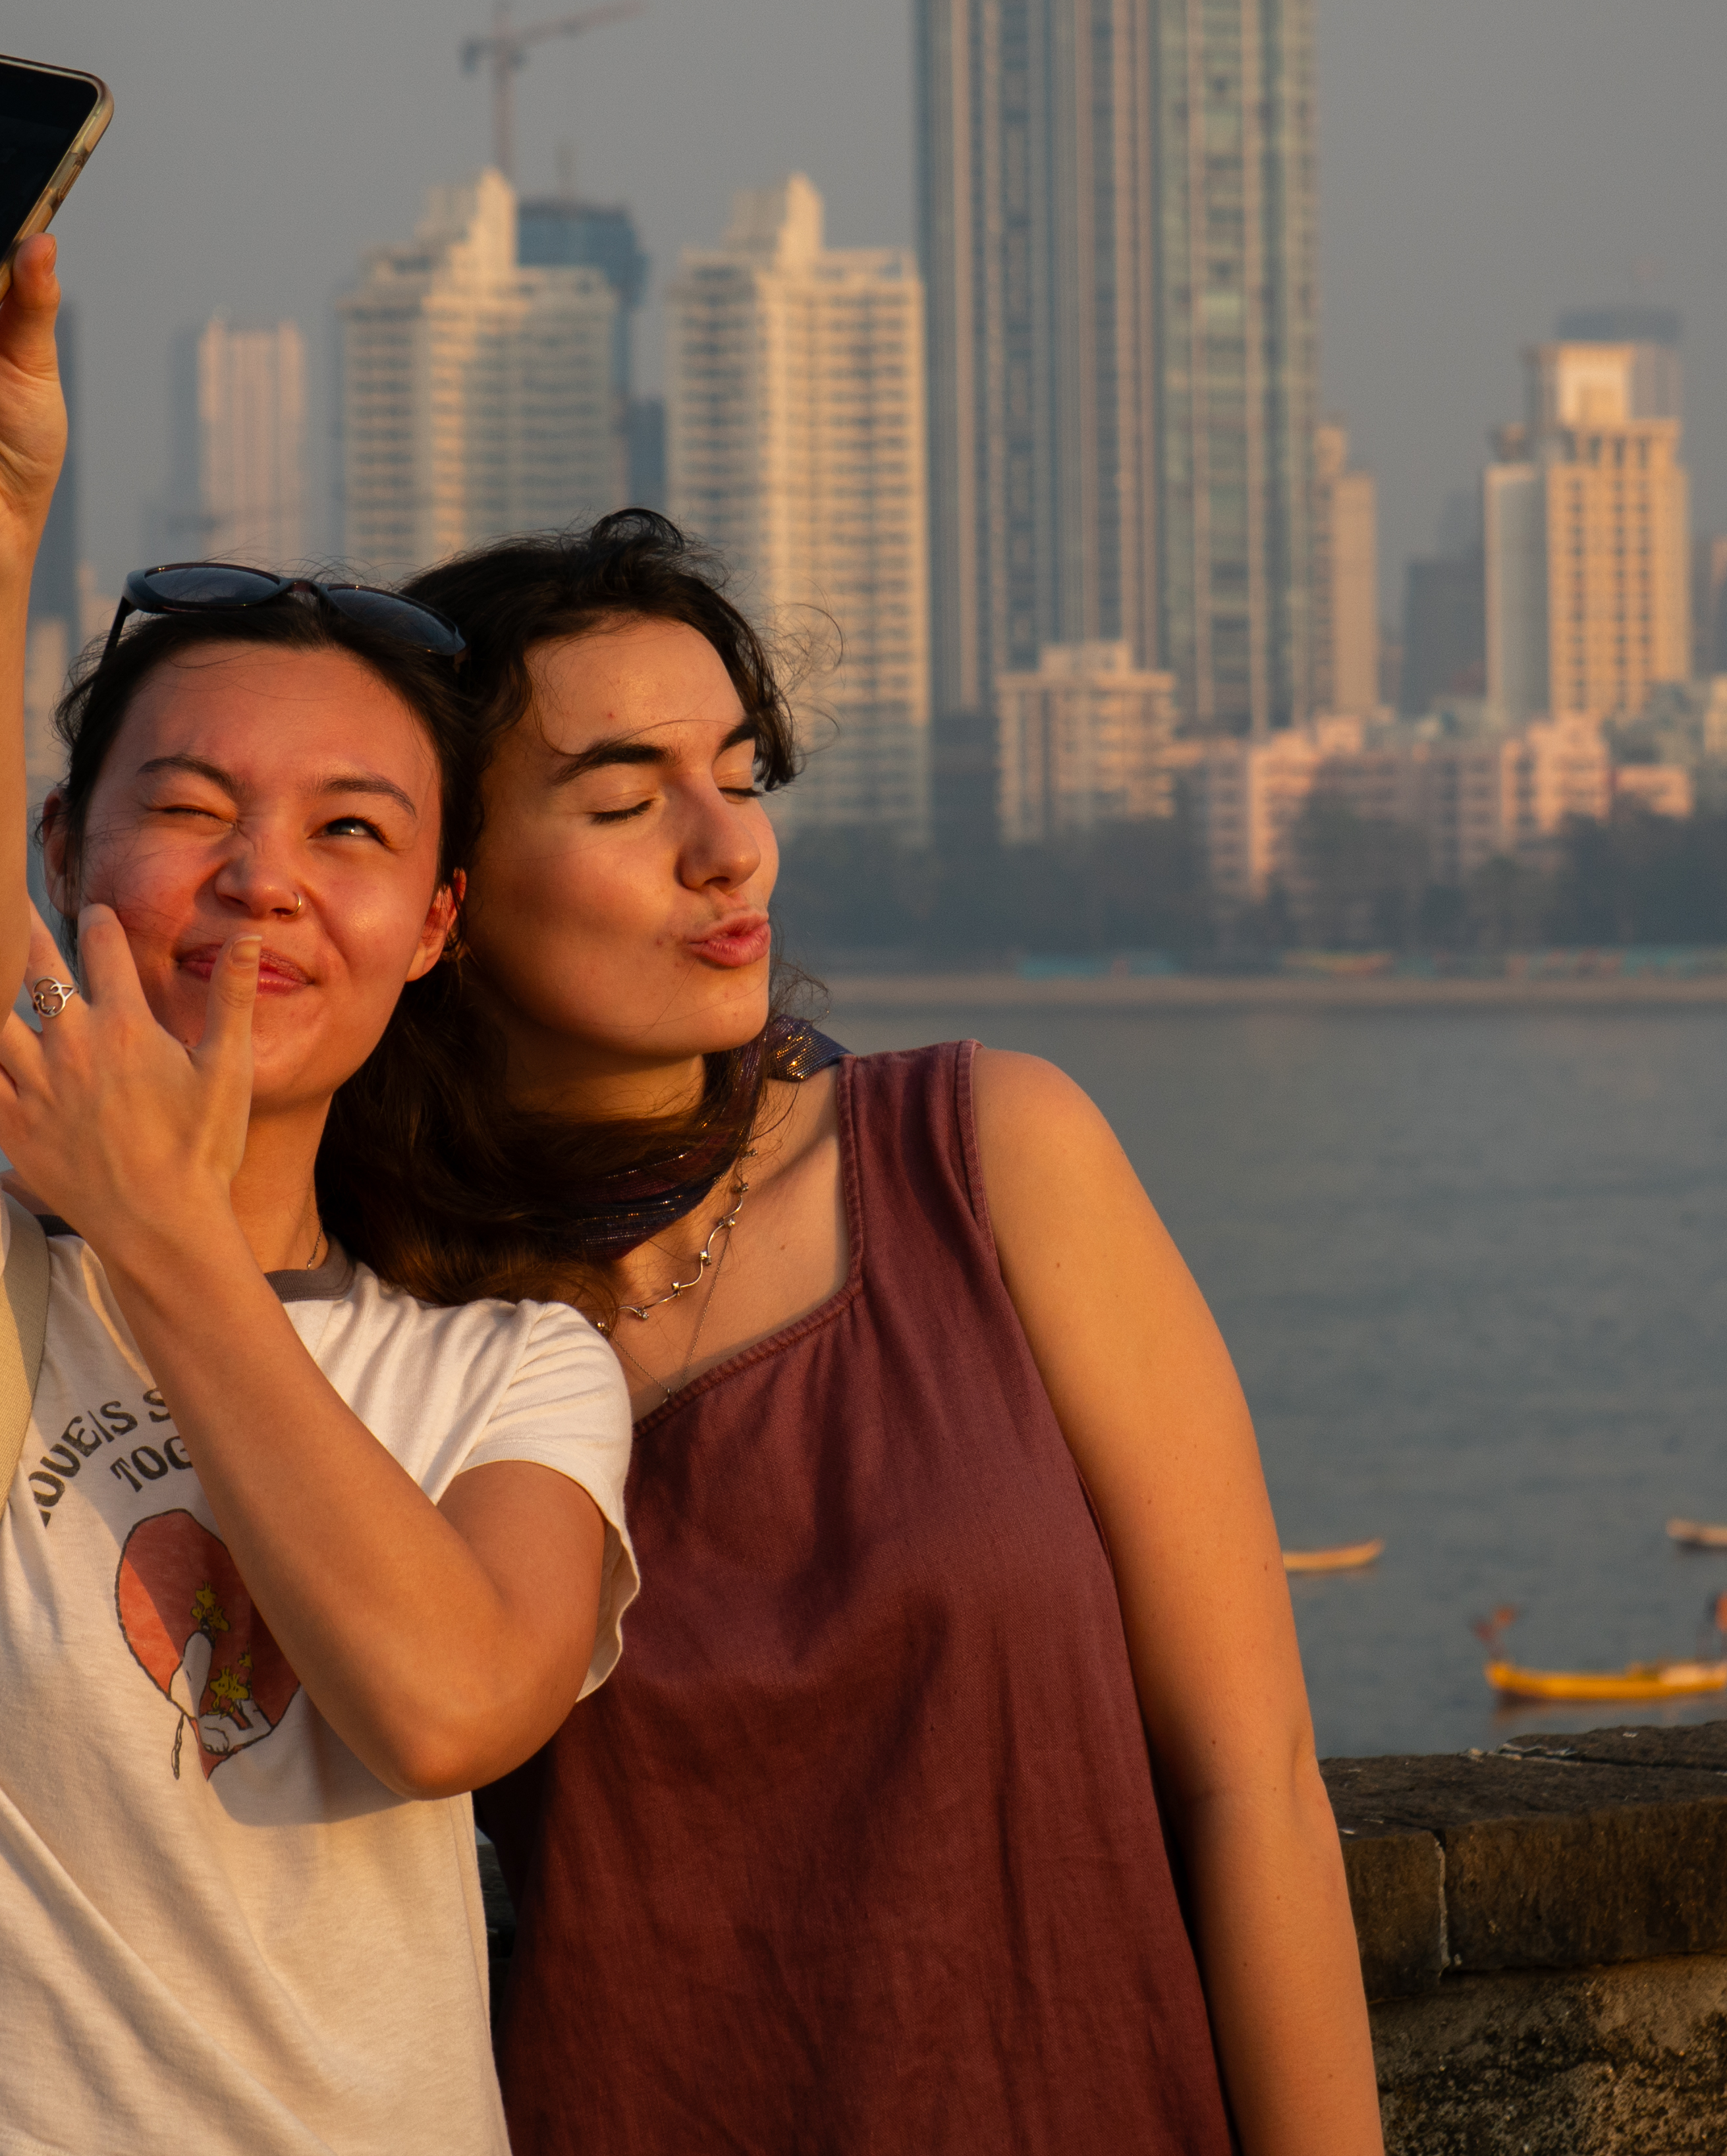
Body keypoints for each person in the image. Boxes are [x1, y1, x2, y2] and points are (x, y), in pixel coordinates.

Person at [0, 140, 635, 2156]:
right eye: (191, 806)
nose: (264, 885)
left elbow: (451, 1707)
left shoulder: (509, 1369)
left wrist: (173, 1244)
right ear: (68, 855)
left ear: (439, 928)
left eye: (355, 835)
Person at [363, 512, 1383, 2155]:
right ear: (443, 899)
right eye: (628, 800)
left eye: (744, 777)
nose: (729, 849)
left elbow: (1254, 1780)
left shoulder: (991, 1156)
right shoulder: (387, 1319)